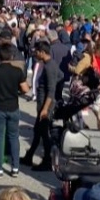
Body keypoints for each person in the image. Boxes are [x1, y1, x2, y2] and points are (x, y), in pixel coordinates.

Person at [0, 43, 30, 178]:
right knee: (14, 137)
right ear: (12, 56)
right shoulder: (17, 71)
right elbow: (25, 89)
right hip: (13, 107)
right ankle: (15, 168)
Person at [21, 41, 63, 171]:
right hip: (43, 105)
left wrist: (45, 109)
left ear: (43, 52)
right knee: (38, 131)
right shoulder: (49, 65)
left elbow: (51, 90)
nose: (35, 53)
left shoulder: (50, 67)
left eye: (37, 51)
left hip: (46, 106)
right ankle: (29, 156)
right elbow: (60, 76)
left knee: (45, 135)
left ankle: (47, 161)